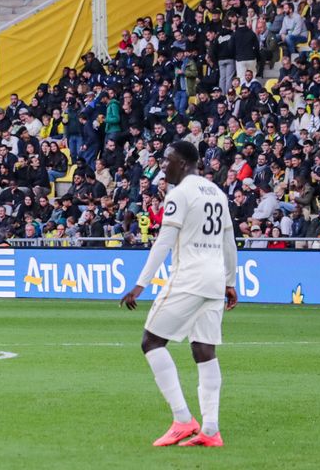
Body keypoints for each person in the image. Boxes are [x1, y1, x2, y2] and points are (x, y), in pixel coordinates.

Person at [120, 142, 236, 448]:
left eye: (168, 160)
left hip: (189, 278)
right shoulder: (217, 193)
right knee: (204, 351)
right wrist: (230, 281)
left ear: (183, 163)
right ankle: (211, 429)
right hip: (213, 280)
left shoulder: (179, 194)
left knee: (151, 341)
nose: (164, 167)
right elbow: (229, 241)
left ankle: (183, 419)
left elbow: (164, 241)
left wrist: (140, 284)